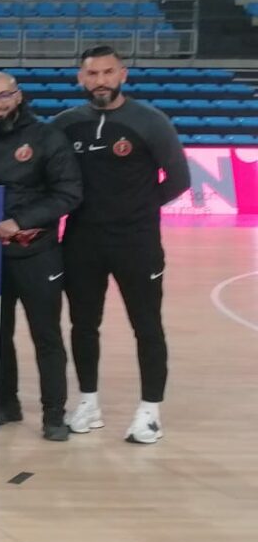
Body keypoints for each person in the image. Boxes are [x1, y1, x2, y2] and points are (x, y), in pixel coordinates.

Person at [52, 45, 189, 444]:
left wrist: (138, 209)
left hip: (137, 241)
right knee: (83, 325)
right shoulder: (65, 124)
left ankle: (149, 412)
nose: (100, 81)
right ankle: (88, 402)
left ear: (123, 74)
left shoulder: (150, 121)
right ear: (81, 78)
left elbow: (179, 179)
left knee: (146, 326)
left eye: (108, 72)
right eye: (92, 74)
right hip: (81, 240)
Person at [0, 72, 82, 440]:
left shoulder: (47, 137)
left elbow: (69, 193)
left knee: (46, 337)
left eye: (3, 96)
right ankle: (5, 403)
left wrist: (21, 221)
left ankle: (54, 415)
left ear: (18, 95)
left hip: (36, 252)